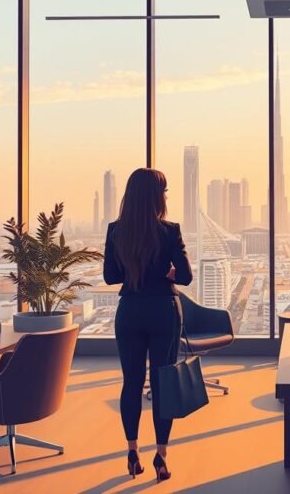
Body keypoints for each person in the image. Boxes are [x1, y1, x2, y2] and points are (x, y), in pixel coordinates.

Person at [104, 168, 192, 483]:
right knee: (161, 384)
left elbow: (111, 277)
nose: (166, 196)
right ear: (155, 196)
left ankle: (131, 451)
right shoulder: (169, 231)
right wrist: (165, 273)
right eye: (164, 191)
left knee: (131, 383)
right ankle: (162, 456)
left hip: (129, 311)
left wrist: (133, 269)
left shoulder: (115, 230)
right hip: (163, 312)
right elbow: (184, 276)